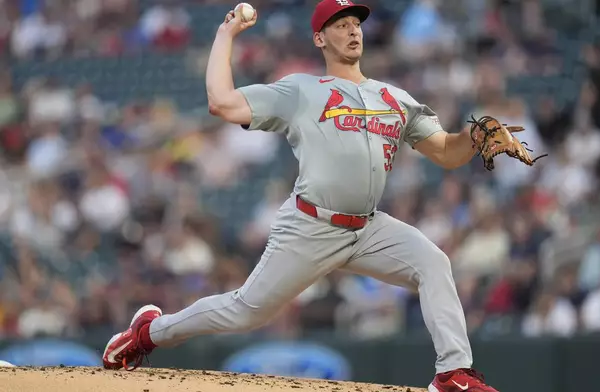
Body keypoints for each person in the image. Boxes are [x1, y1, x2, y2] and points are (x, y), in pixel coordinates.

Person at [103, 1, 500, 390]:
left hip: (369, 228)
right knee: (245, 311)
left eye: (355, 23)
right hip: (312, 223)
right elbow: (221, 103)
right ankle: (148, 333)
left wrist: (476, 136)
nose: (352, 30)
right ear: (319, 38)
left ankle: (452, 374)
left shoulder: (394, 98)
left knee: (432, 262)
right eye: (340, 24)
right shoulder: (301, 89)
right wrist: (226, 33)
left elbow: (447, 151)